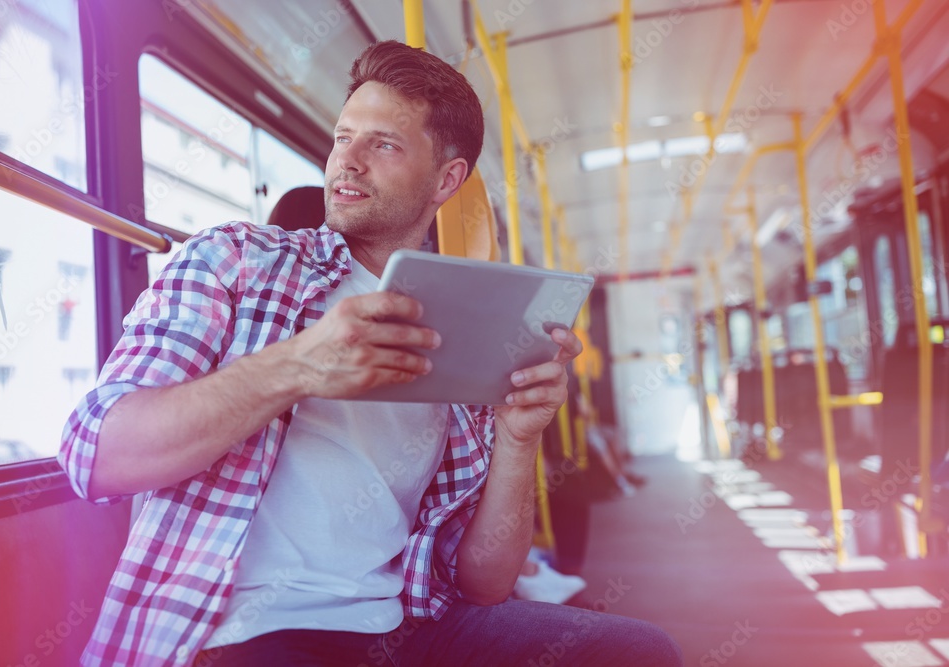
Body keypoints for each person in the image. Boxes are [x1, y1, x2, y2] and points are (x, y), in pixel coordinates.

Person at [59, 40, 682, 667]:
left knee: (637, 652)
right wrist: (298, 366)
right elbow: (95, 456)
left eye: (382, 144)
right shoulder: (235, 261)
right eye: (341, 137)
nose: (347, 161)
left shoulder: (465, 324)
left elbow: (486, 583)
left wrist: (521, 438)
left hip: (406, 625)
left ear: (447, 180)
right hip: (240, 630)